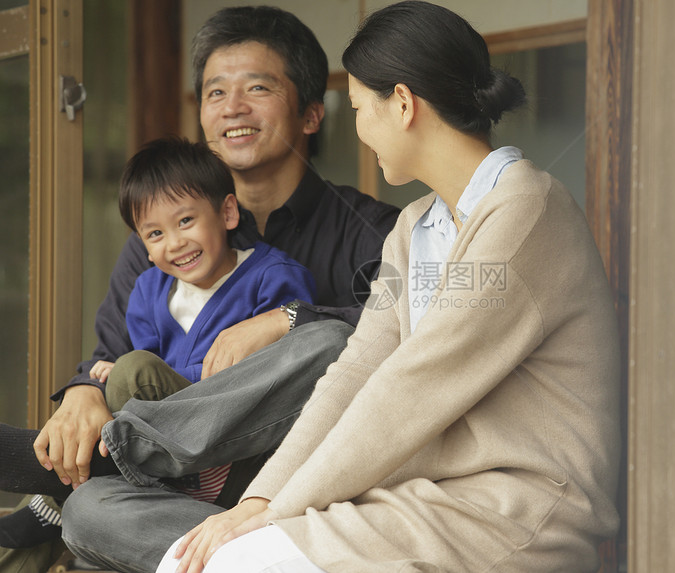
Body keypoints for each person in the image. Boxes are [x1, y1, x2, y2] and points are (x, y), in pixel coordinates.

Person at [149, 2, 621, 572]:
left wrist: (277, 509)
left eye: (355, 107)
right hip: (423, 496)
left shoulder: (527, 211)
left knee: (238, 561)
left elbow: (413, 383)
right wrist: (259, 500)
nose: (356, 126)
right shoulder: (413, 227)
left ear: (401, 104)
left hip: (518, 508)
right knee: (190, 555)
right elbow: (355, 370)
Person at [0, 5, 399, 572]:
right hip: (174, 498)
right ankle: (95, 474)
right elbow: (113, 353)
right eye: (215, 92)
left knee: (328, 338)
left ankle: (99, 468)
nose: (232, 107)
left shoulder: (373, 230)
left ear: (313, 113)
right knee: (86, 507)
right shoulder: (159, 241)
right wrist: (81, 393)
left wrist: (285, 320)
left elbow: (406, 330)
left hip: (291, 484)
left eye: (257, 87)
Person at [0, 136, 317, 546]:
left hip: (236, 446)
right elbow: (141, 368)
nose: (175, 243)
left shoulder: (271, 275)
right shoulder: (150, 289)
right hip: (165, 460)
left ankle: (55, 491)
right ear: (143, 247)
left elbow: (282, 375)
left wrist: (132, 372)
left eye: (186, 222)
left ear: (227, 211)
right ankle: (66, 492)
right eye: (154, 234)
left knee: (131, 370)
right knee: (122, 379)